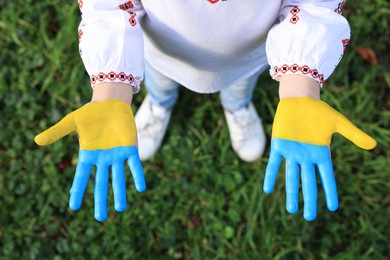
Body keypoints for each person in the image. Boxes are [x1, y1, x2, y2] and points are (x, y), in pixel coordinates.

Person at [35, 0, 376, 222]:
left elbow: (313, 6)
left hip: (247, 58)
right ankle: (159, 104)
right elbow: (108, 7)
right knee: (161, 84)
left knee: (239, 86)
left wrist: (300, 88)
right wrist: (111, 92)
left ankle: (237, 106)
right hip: (164, 55)